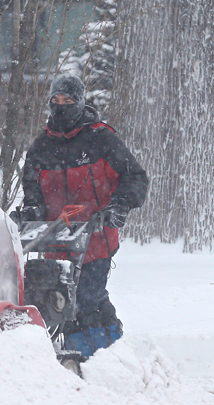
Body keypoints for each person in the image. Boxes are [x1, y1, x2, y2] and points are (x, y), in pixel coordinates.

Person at [10, 75, 148, 358]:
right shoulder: (40, 147)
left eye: (68, 101)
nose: (61, 107)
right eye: (56, 101)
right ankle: (63, 358)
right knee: (53, 302)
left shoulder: (101, 139)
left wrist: (118, 206)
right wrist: (33, 211)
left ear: (80, 103)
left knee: (86, 299)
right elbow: (32, 190)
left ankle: (105, 355)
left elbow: (135, 177)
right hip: (54, 243)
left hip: (95, 239)